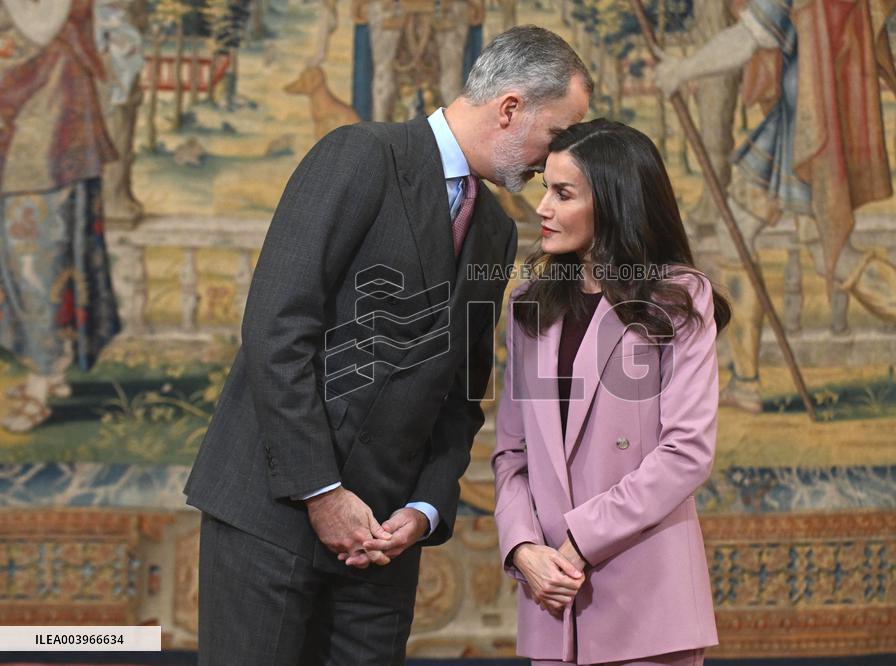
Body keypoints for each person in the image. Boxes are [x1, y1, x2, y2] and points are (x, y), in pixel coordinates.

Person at [183, 25, 592, 666]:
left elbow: (461, 394)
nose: (550, 161)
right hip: (271, 515)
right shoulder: (360, 155)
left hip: (383, 544)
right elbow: (276, 330)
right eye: (555, 134)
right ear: (511, 108)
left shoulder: (493, 231)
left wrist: (425, 507)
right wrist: (321, 493)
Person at [492, 119, 729, 666]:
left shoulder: (678, 298)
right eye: (545, 188)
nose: (542, 208)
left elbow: (687, 452)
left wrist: (578, 542)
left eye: (563, 193)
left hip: (647, 603)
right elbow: (511, 454)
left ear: (614, 202)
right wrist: (523, 548)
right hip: (552, 600)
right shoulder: (530, 305)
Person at [654, 0, 896, 423]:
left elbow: (750, 36)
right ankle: (746, 382)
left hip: (811, 134)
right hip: (797, 123)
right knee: (736, 230)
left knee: (833, 255)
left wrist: (682, 70)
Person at [0, 0, 122, 433]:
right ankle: (50, 371)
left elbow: (36, 30)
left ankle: (41, 381)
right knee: (30, 263)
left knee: (37, 264)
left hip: (47, 140)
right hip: (37, 136)